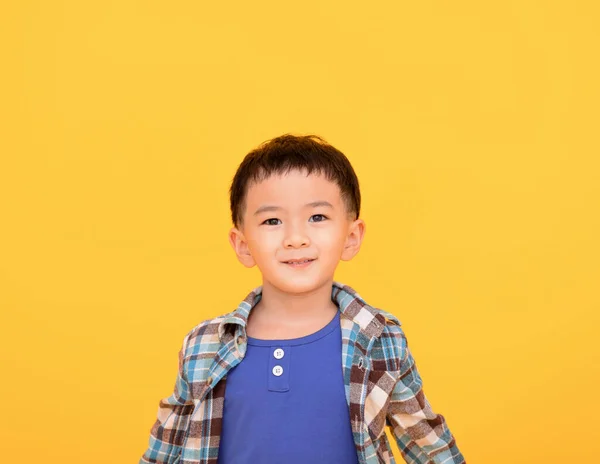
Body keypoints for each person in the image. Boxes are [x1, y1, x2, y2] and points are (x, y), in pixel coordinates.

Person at [139, 134, 466, 464]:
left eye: (317, 217)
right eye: (272, 221)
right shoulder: (203, 347)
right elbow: (164, 449)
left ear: (351, 237)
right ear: (243, 245)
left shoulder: (381, 340)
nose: (296, 238)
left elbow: (428, 444)